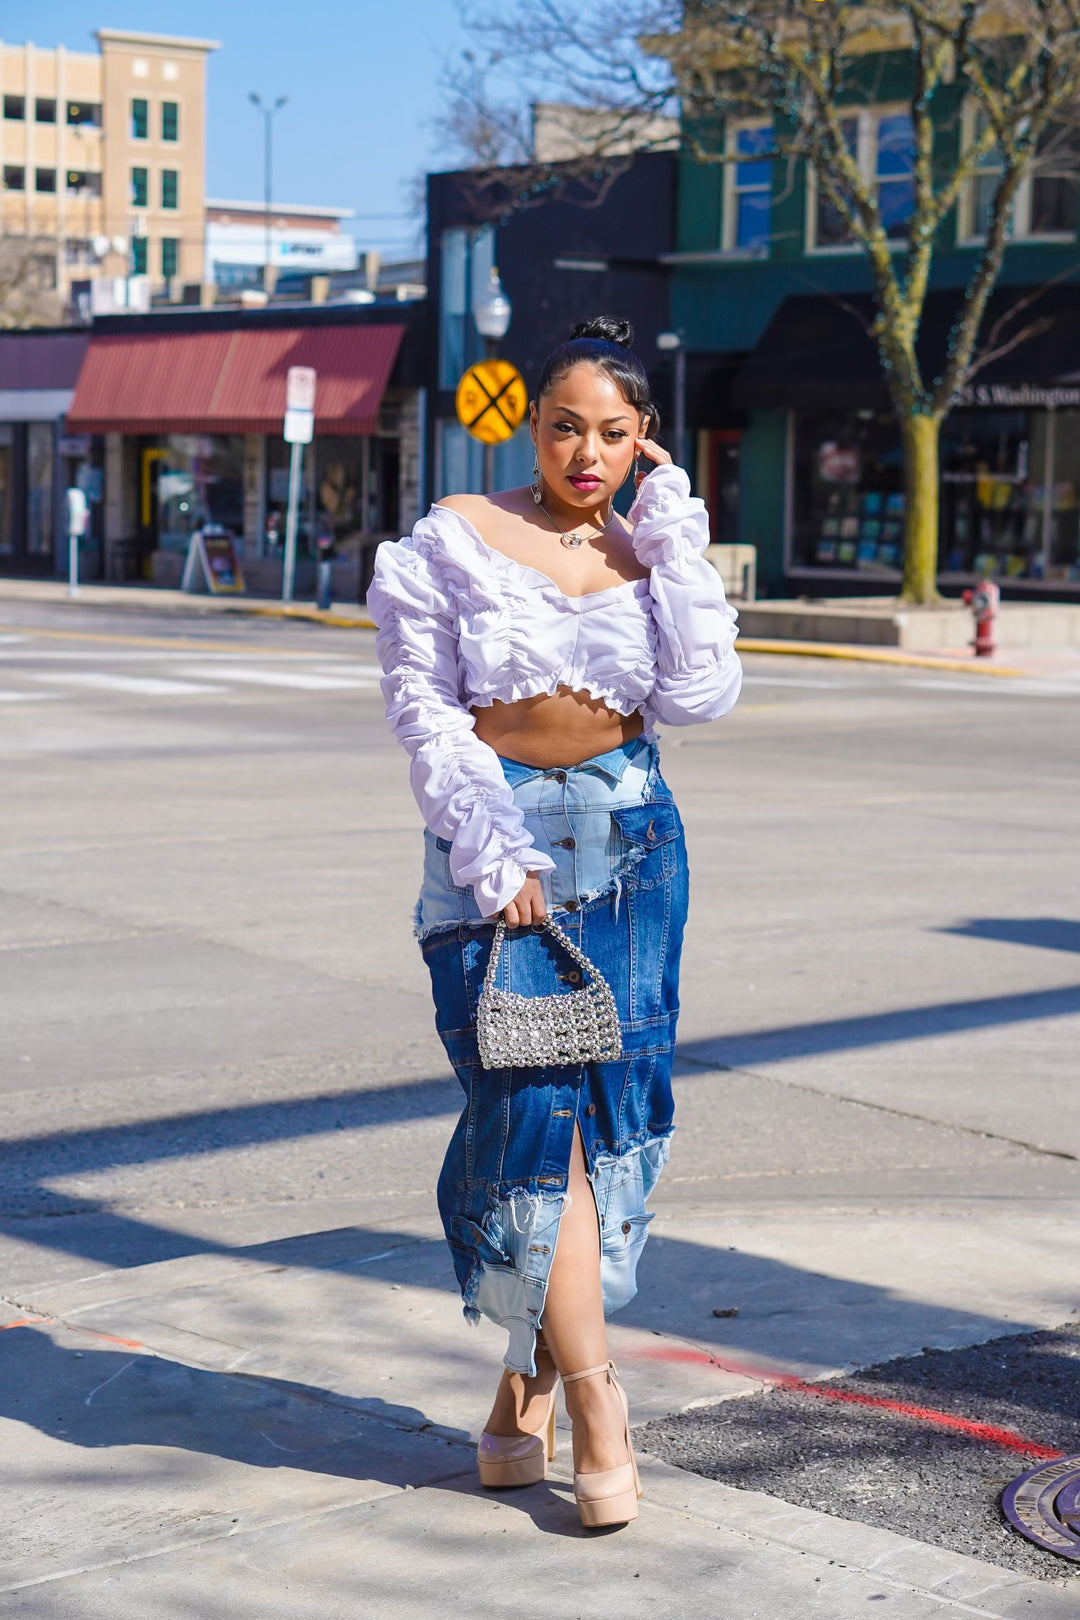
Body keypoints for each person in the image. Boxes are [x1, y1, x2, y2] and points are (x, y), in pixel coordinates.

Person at [368, 316, 742, 1528]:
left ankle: (518, 1395)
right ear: (532, 422)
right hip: (496, 846)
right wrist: (493, 847)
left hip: (634, 842)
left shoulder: (649, 549)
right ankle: (596, 1398)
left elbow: (697, 696)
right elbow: (425, 711)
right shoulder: (454, 539)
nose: (588, 452)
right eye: (567, 425)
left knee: (610, 1123)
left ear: (645, 445)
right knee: (531, 1120)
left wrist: (678, 554)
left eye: (615, 433)